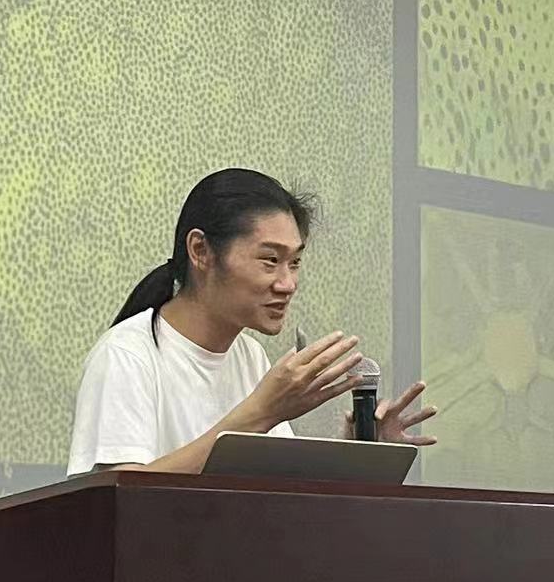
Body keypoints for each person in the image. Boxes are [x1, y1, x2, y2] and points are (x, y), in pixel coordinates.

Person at [66, 168, 435, 475]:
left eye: (294, 262)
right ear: (200, 251)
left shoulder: (251, 356)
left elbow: (278, 492)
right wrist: (261, 412)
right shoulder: (127, 355)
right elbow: (119, 495)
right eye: (270, 260)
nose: (288, 284)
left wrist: (362, 454)